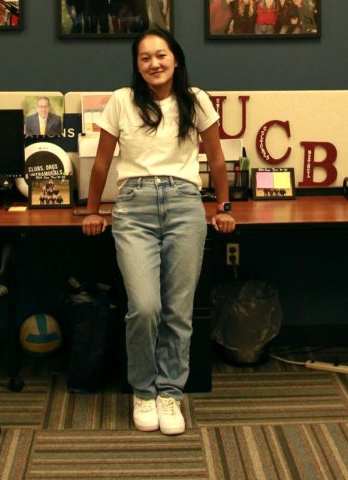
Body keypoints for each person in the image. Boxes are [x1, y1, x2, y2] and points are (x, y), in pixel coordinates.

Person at [80, 28, 234, 436]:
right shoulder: (122, 101)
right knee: (145, 307)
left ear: (176, 59)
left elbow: (217, 160)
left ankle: (170, 392)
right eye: (145, 57)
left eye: (161, 55)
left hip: (185, 204)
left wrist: (224, 207)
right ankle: (143, 390)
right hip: (134, 207)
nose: (154, 63)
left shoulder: (196, 100)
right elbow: (101, 164)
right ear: (137, 65)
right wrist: (92, 212)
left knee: (178, 310)